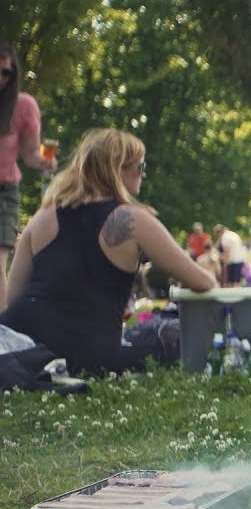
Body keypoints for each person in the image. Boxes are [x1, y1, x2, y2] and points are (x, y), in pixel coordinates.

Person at [0, 128, 216, 374]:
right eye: (140, 167)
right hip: (88, 352)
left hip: (24, 344)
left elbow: (13, 297)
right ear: (118, 169)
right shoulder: (133, 220)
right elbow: (202, 281)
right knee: (166, 332)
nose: (143, 175)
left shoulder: (42, 217)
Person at [0, 43, 57, 311]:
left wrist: (45, 161)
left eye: (6, 73)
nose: (1, 78)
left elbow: (31, 153)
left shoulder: (23, 106)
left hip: (5, 190)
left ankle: (2, 331)